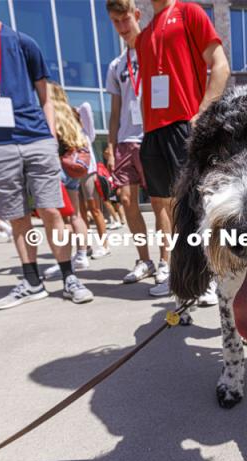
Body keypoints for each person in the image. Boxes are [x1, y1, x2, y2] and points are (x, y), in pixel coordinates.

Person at [0, 1, 92, 309]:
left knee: (52, 211)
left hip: (36, 138)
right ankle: (32, 281)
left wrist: (49, 137)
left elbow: (46, 96)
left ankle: (68, 277)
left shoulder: (23, 43)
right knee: (17, 215)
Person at [136, 0, 230, 303]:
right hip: (152, 130)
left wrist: (203, 111)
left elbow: (220, 64)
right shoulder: (144, 34)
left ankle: (211, 275)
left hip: (182, 123)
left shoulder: (190, 12)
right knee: (165, 207)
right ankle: (180, 275)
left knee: (195, 205)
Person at [105, 0, 156, 284]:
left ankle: (167, 261)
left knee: (164, 203)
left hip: (152, 137)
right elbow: (114, 112)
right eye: (116, 22)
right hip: (126, 139)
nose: (122, 27)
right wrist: (111, 145)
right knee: (126, 201)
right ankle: (144, 259)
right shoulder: (116, 65)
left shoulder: (152, 51)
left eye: (125, 19)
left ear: (136, 16)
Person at [42, 83, 93, 283]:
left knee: (61, 220)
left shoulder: (49, 114)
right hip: (74, 169)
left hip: (58, 169)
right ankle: (81, 254)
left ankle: (66, 261)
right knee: (76, 215)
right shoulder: (72, 114)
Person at [76, 102, 111, 260]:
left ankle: (104, 245)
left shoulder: (86, 132)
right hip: (74, 176)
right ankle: (86, 246)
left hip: (89, 173)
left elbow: (86, 107)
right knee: (80, 213)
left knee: (95, 210)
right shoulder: (67, 134)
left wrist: (74, 111)